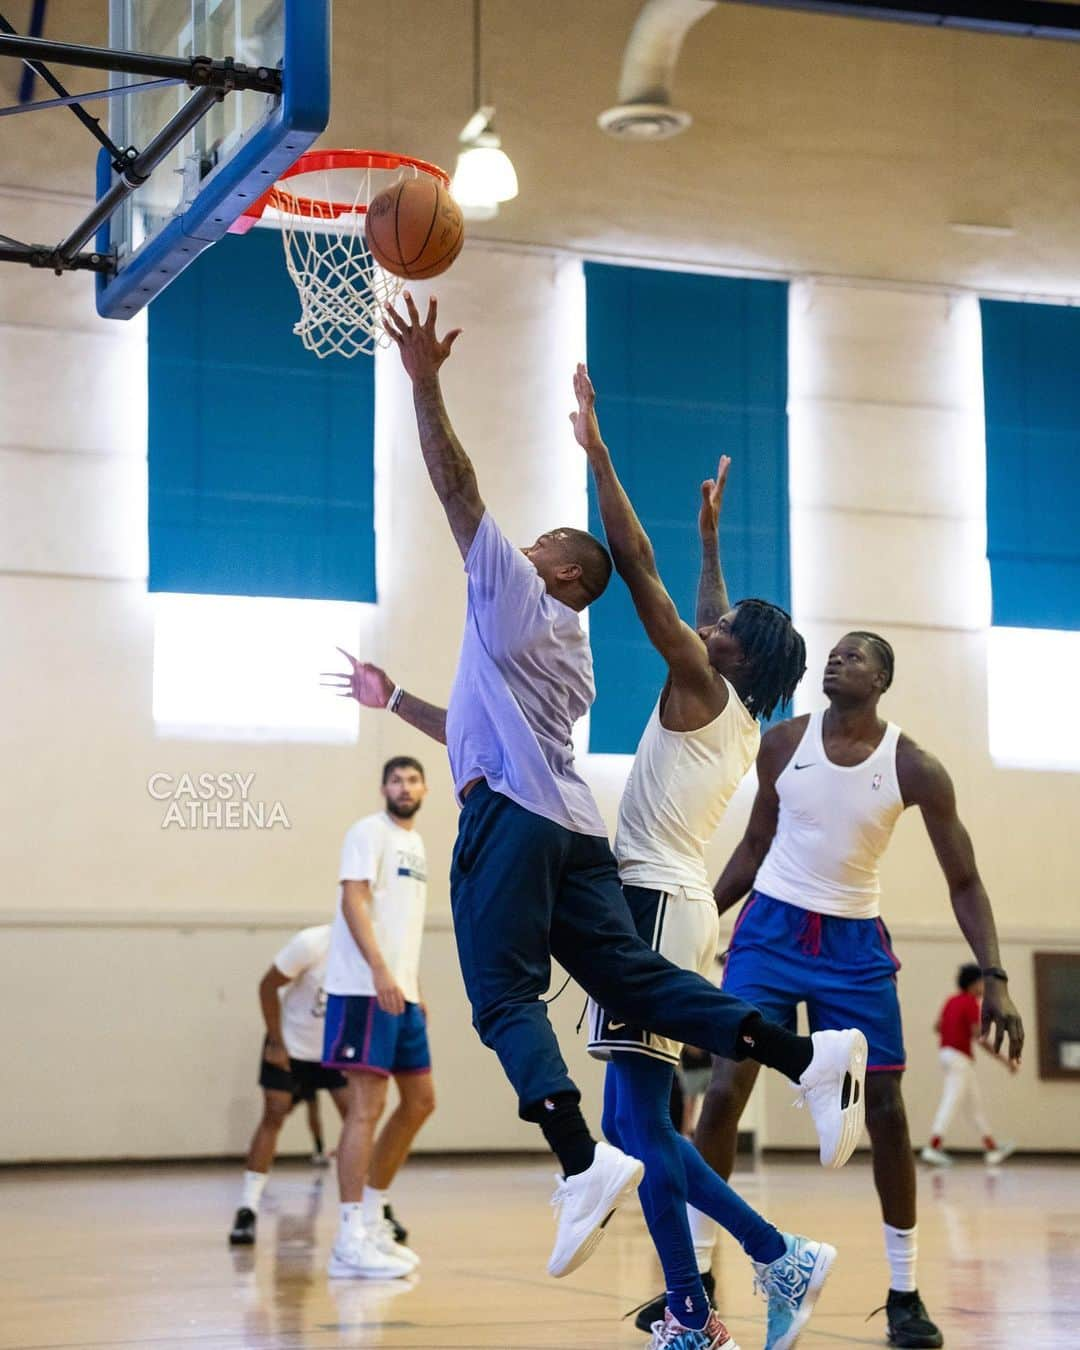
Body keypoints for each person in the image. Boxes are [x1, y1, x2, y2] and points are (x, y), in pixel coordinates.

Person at [326, 293, 867, 1287]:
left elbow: (580, 548)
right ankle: (802, 1072)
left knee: (514, 1011)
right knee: (637, 1020)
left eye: (543, 545)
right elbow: (687, 619)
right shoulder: (666, 683)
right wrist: (395, 695)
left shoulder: (529, 596)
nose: (523, 543)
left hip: (630, 872)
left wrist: (579, 443)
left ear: (564, 571)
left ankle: (616, 1192)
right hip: (593, 848)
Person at [573, 366, 838, 1350]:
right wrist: (715, 540)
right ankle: (723, 1294)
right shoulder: (734, 704)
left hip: (646, 907)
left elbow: (633, 568)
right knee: (641, 1130)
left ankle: (749, 1275)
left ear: (731, 656)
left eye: (720, 628)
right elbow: (710, 611)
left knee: (639, 1132)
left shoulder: (698, 676)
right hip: (667, 907)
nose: (707, 622)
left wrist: (599, 457)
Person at [687, 629, 1025, 1350]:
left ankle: (904, 1294)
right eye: (834, 652)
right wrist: (694, 924)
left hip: (854, 944)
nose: (838, 658)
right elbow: (753, 847)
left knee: (890, 1112)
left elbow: (963, 880)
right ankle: (697, 1277)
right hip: (771, 930)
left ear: (882, 679)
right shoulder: (782, 743)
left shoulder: (915, 766)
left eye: (856, 654)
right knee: (723, 1091)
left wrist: (994, 977)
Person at [320, 757, 436, 1280]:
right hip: (366, 987)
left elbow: (401, 922)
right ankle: (348, 1238)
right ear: (383, 788)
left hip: (400, 989)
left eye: (412, 779)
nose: (404, 787)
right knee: (366, 1106)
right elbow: (354, 901)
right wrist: (381, 971)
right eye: (395, 779)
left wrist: (414, 985)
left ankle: (372, 1219)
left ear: (425, 789)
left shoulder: (417, 845)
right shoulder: (369, 832)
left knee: (420, 1101)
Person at [229, 924, 347, 1246]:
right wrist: (277, 1043)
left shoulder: (373, 949)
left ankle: (376, 1208)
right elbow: (268, 987)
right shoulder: (312, 943)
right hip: (291, 1045)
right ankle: (247, 1208)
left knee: (358, 1117)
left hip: (333, 1049)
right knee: (275, 1113)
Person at [921, 964, 1016, 1168]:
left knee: (974, 1106)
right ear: (974, 984)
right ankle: (933, 1146)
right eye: (981, 982)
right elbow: (979, 1038)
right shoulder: (972, 1003)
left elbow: (937, 1026)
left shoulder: (951, 1001)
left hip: (947, 1054)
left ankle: (991, 1148)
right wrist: (1005, 1060)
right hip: (959, 1058)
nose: (983, 986)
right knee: (951, 1101)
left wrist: (953, 1031)